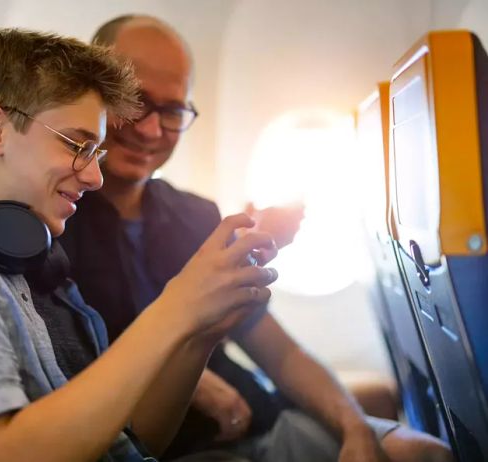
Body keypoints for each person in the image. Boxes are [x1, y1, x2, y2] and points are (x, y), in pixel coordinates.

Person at [0, 28, 279, 462]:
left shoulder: (32, 260)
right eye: (78, 145)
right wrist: (175, 308)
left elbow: (132, 442)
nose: (95, 177)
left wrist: (199, 331)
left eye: (96, 153)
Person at [60, 15, 454, 462]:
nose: (151, 130)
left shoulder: (196, 217)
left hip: (262, 421)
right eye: (134, 100)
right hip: (180, 447)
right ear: (95, 92)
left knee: (425, 454)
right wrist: (188, 379)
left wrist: (355, 428)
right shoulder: (58, 217)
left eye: (172, 111)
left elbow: (278, 351)